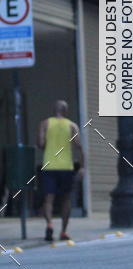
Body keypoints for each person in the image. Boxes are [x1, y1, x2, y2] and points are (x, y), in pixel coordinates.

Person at [36, 100, 84, 242]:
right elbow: (79, 147)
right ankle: (63, 231)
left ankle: (50, 224)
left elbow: (40, 144)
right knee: (66, 199)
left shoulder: (45, 123)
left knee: (48, 199)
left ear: (54, 110)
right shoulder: (72, 126)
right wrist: (82, 167)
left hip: (49, 166)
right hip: (66, 167)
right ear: (66, 111)